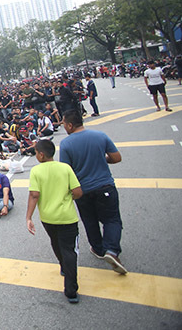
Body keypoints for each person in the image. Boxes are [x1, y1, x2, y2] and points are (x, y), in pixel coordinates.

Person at [60, 109, 126, 274]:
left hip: (82, 190)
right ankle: (111, 250)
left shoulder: (66, 144)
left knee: (90, 220)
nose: (63, 127)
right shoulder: (100, 136)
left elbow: (66, 171)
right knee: (112, 220)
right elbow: (116, 158)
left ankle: (98, 248)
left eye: (63, 124)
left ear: (69, 124)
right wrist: (103, 159)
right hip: (105, 186)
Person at [26, 139, 83, 304]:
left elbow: (34, 195)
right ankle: (71, 291)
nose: (36, 155)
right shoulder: (65, 168)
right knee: (70, 250)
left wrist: (29, 217)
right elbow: (78, 192)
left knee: (55, 242)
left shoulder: (36, 171)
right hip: (67, 217)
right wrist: (66, 198)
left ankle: (63, 266)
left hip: (48, 218)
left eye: (36, 152)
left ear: (41, 155)